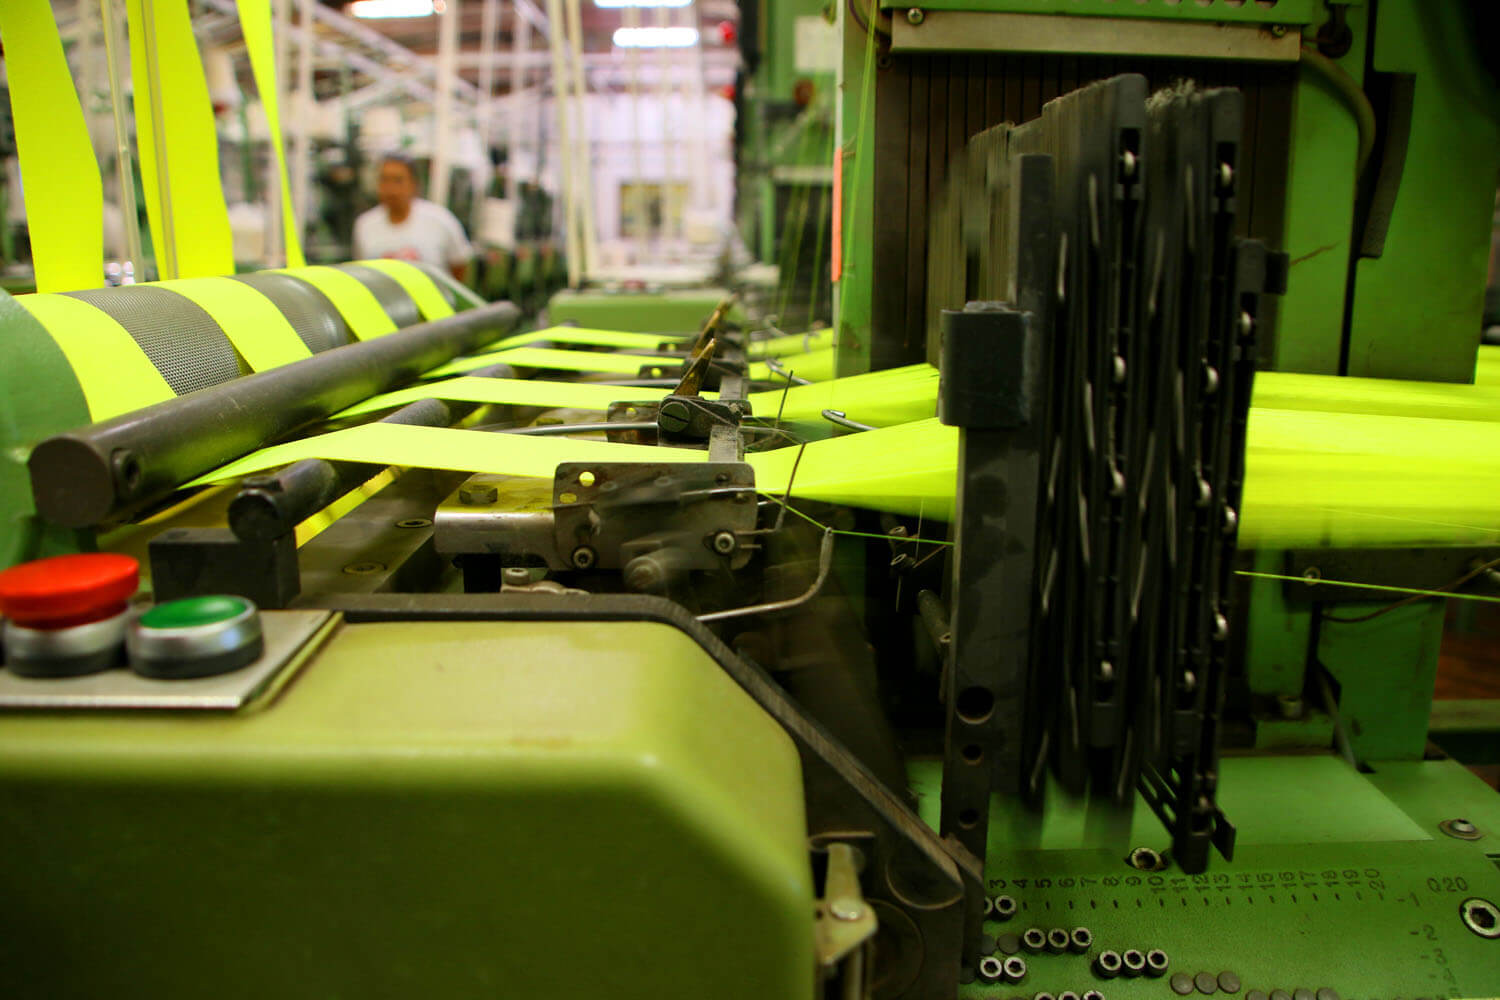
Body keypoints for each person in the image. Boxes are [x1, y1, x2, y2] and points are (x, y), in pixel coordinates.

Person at [353, 153, 473, 281]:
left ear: (414, 184)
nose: (391, 189)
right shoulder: (365, 225)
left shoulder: (441, 221)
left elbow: (459, 266)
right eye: (384, 180)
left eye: (398, 180)